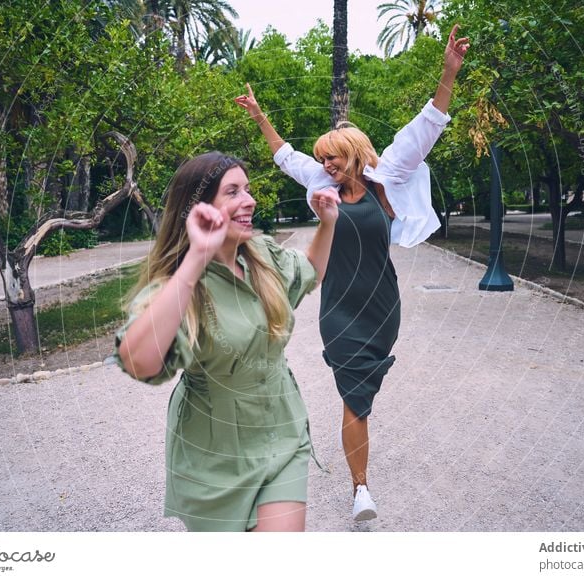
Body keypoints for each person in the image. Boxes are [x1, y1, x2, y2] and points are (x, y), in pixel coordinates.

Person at [235, 24, 469, 522]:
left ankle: (358, 475)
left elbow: (427, 126)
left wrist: (449, 73)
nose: (325, 164)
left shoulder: (389, 181)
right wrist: (260, 117)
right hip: (338, 307)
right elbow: (284, 157)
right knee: (354, 393)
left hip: (382, 305)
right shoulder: (322, 184)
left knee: (363, 394)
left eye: (333, 157)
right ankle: (360, 488)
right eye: (322, 159)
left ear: (356, 155)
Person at [114, 151, 339, 532]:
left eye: (247, 190)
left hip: (282, 431)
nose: (249, 200)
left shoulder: (262, 257)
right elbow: (140, 363)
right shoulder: (180, 287)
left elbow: (308, 273)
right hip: (214, 456)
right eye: (232, 192)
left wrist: (327, 224)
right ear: (199, 210)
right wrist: (196, 258)